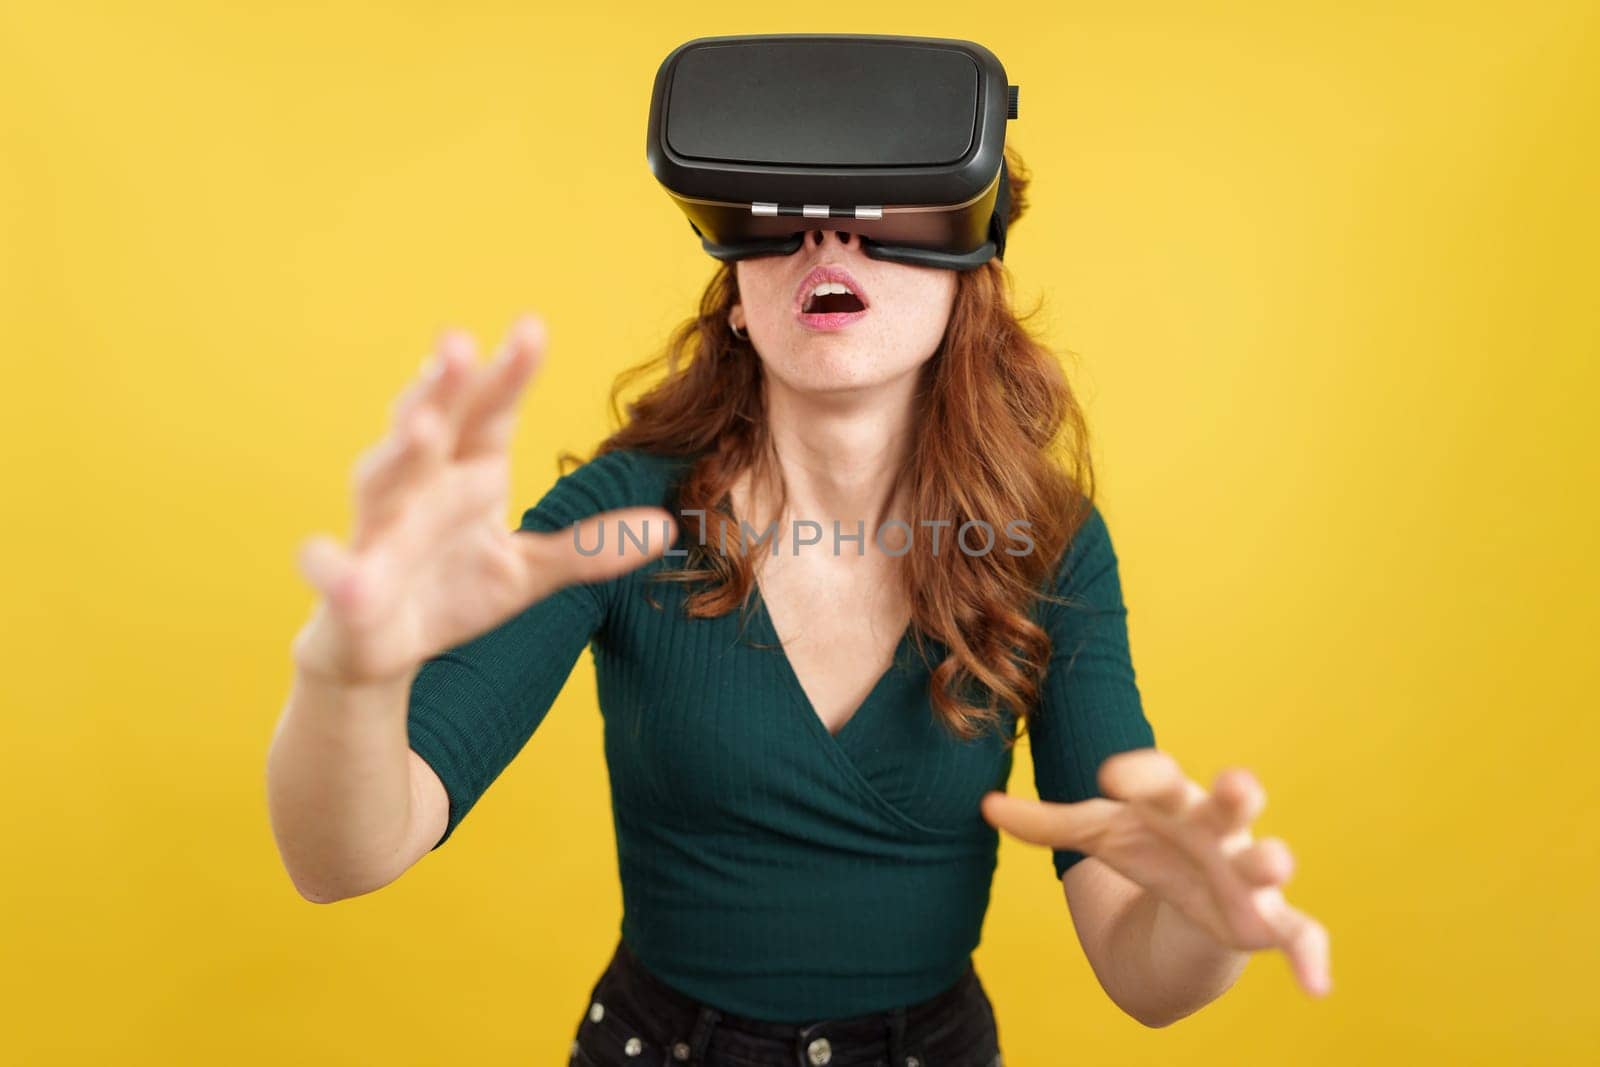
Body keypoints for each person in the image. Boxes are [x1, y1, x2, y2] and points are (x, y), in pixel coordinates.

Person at [266, 145, 1330, 1067]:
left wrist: (1206, 924)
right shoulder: (624, 514)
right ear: (733, 286)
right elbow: (344, 856)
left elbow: (1140, 970)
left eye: (890, 206)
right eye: (778, 214)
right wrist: (345, 677)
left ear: (972, 268)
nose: (830, 236)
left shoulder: (1044, 545)